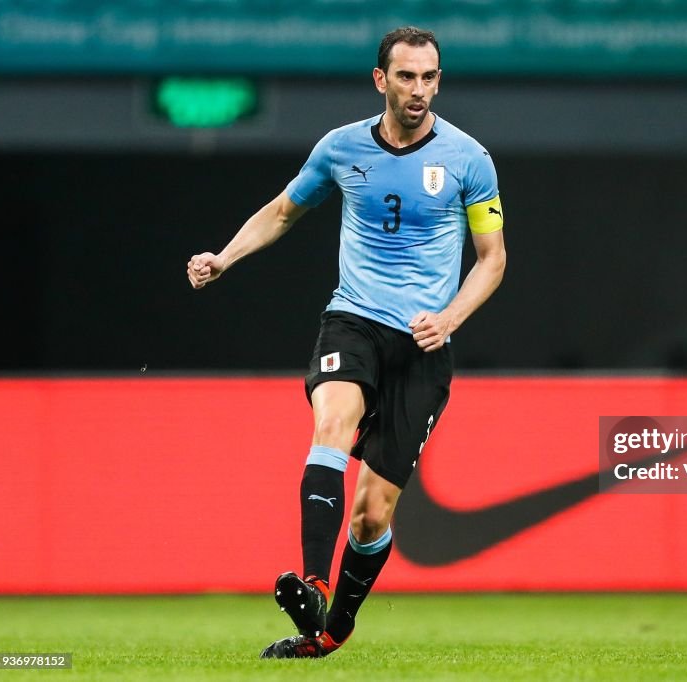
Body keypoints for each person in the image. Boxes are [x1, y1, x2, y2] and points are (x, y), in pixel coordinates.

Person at [186, 26, 506, 659]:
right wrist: (224, 257)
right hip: (353, 321)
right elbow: (282, 211)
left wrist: (450, 319)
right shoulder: (340, 149)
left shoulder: (471, 160)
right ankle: (311, 582)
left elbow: (492, 260)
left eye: (430, 77)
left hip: (423, 344)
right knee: (332, 421)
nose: (420, 90)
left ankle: (333, 629)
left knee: (371, 516)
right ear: (380, 79)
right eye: (407, 76)